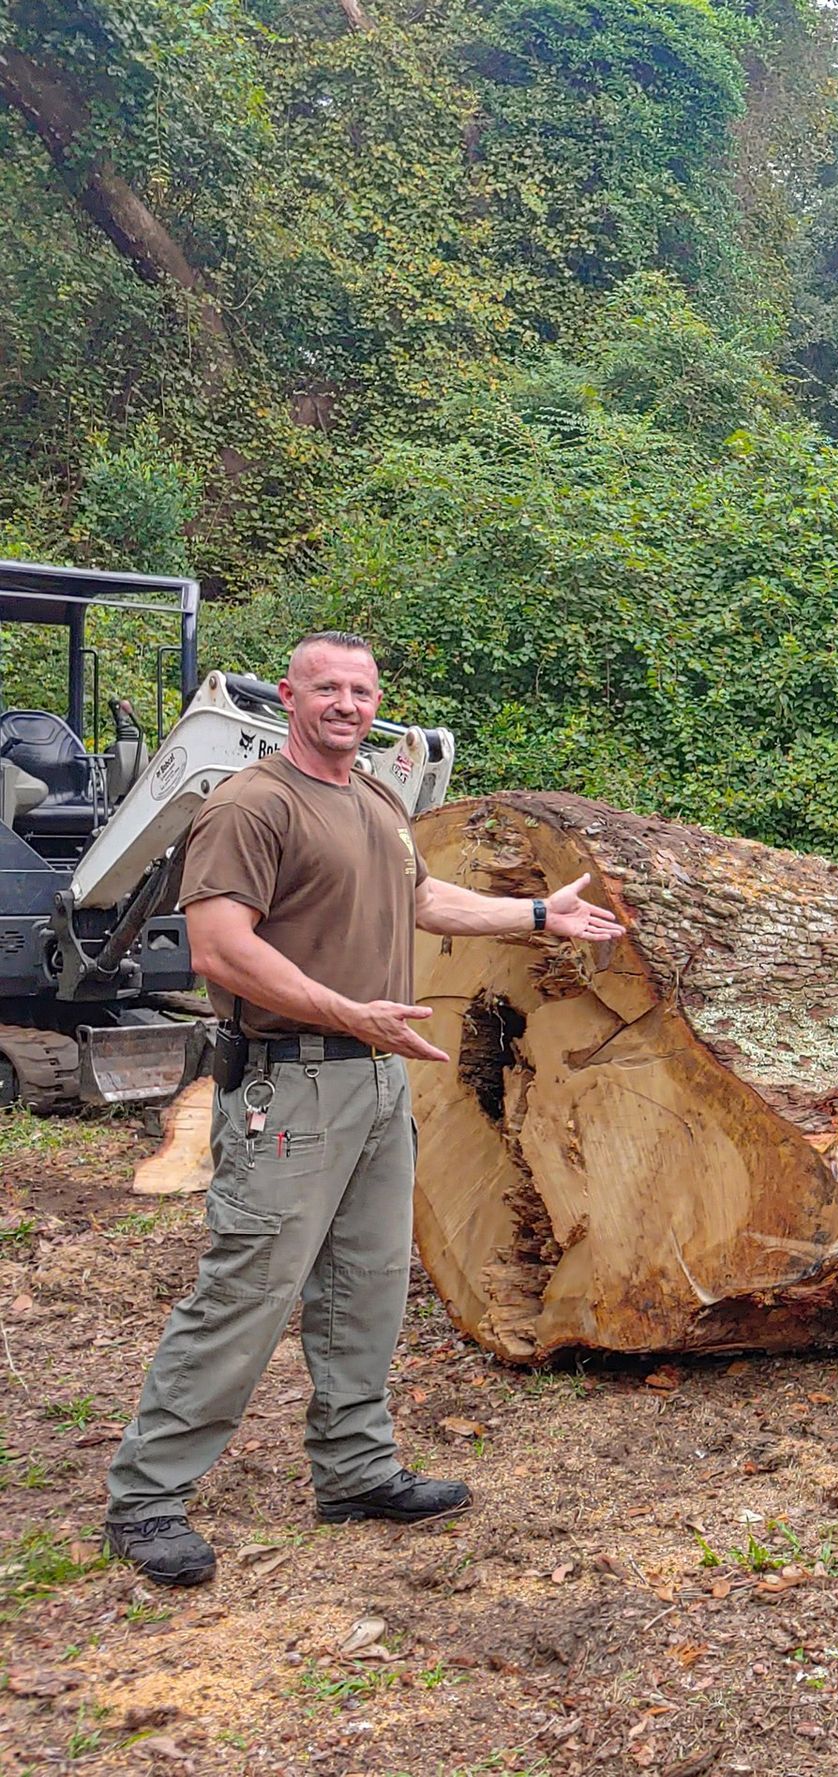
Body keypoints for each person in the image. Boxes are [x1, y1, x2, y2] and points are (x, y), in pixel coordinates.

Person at [105, 633, 623, 1586]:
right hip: (291, 1078)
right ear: (291, 698)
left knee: (368, 1283)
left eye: (362, 689)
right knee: (249, 1286)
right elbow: (220, 948)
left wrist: (540, 917)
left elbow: (421, 898)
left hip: (379, 1079)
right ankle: (147, 1494)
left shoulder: (376, 799)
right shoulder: (252, 805)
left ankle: (355, 1469)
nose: (347, 703)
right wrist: (347, 1011)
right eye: (327, 688)